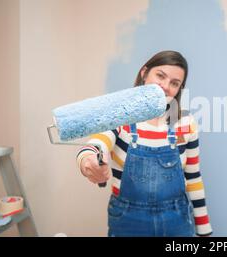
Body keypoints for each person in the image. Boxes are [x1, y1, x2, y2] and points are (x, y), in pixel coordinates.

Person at [76, 50, 212, 237]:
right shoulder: (119, 116)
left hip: (177, 221)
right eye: (160, 76)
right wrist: (88, 160)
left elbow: (193, 177)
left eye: (174, 83)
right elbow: (96, 144)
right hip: (128, 220)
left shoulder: (185, 124)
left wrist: (204, 231)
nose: (165, 86)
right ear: (144, 73)